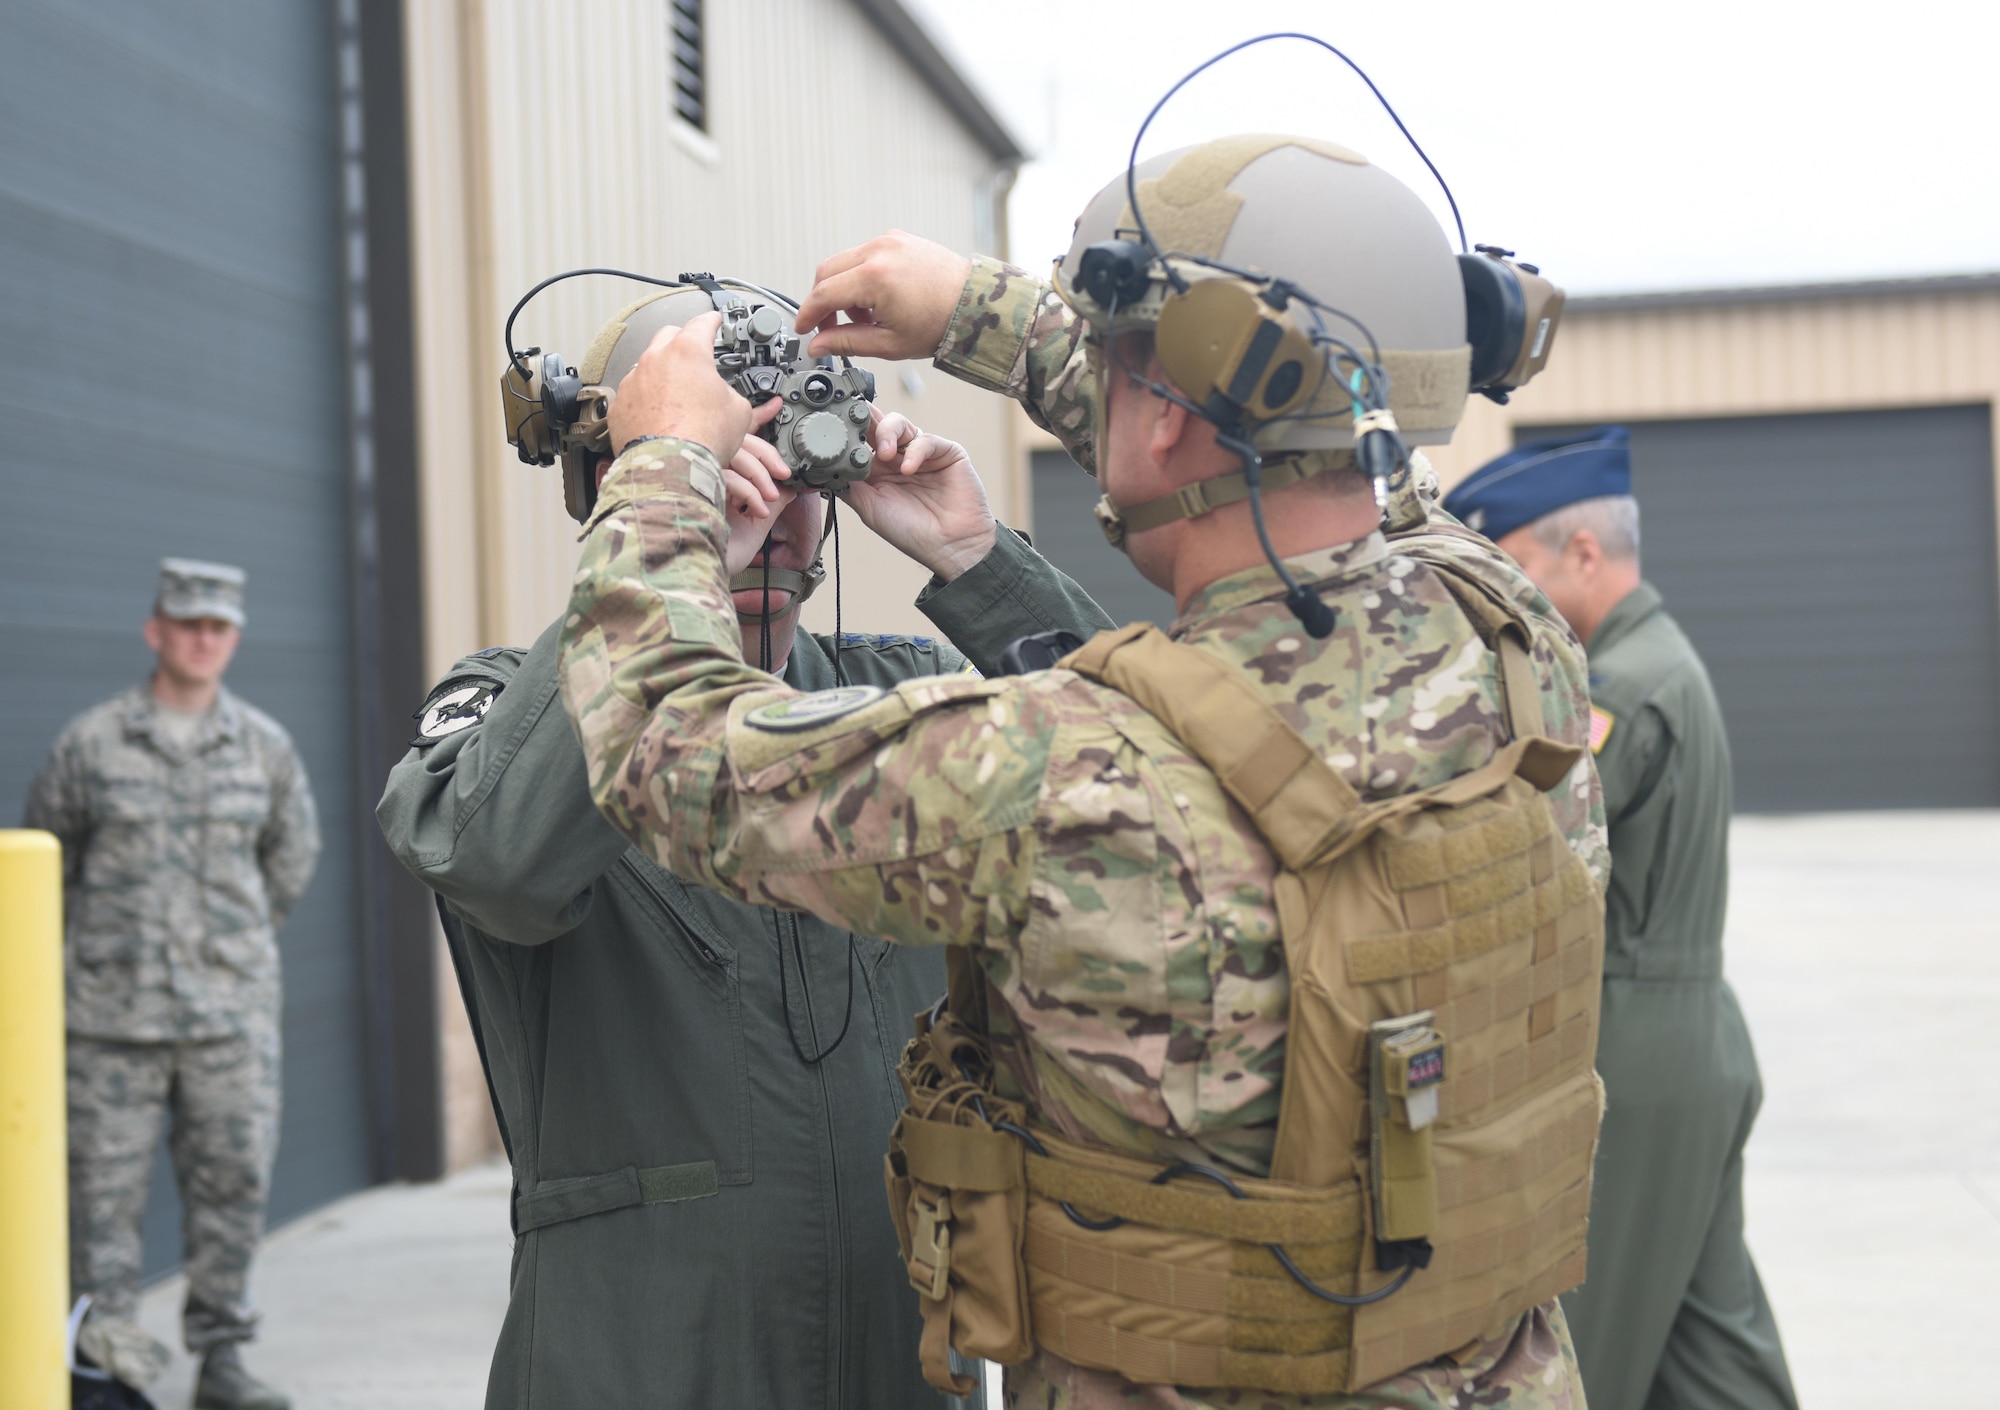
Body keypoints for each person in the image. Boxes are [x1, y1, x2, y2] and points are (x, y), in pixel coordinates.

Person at [556, 136, 1613, 1410]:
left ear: (1163, 411)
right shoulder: (1509, 634)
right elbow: (1335, 468)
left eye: (1118, 366)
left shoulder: (1063, 775)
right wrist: (981, 317)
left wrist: (659, 460)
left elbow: (666, 750)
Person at [376, 288, 1115, 1409]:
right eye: (729, 465)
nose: (767, 511)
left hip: (905, 1361)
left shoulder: (902, 695)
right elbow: (499, 861)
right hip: (641, 1362)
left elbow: (1151, 778)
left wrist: (975, 558)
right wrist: (666, 543)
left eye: (791, 469)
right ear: (608, 483)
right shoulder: (509, 710)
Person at [1445, 429, 1798, 1410]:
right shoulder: (1659, 659)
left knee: (1579, 1356)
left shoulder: (1616, 687)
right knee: (1710, 1350)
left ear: (1583, 556)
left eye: (1509, 569)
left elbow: (1535, 867)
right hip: (1691, 1043)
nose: (1496, 601)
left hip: (1631, 1054)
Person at [24, 558, 320, 1410]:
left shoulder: (264, 748)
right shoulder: (90, 745)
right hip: (108, 1023)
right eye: (186, 623)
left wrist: (226, 947)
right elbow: (48, 862)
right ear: (155, 630)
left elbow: (291, 862)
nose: (202, 638)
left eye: (218, 626)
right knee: (101, 1203)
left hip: (228, 1021)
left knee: (233, 1190)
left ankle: (222, 1362)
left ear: (233, 637)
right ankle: (108, 1365)